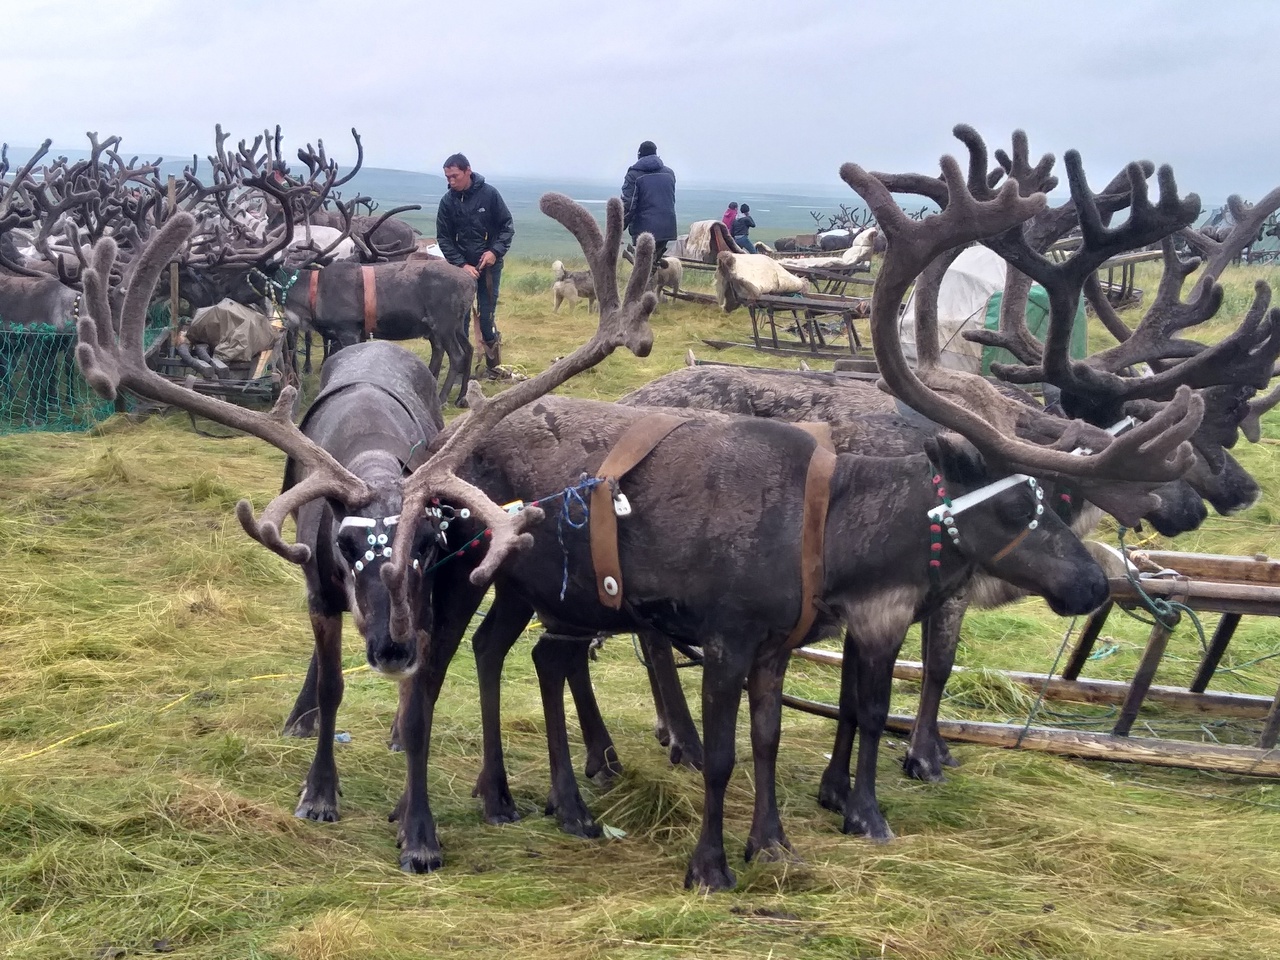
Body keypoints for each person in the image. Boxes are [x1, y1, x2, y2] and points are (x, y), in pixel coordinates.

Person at [436, 152, 515, 377]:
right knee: (459, 319)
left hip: (489, 267)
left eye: (454, 176)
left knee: (487, 315)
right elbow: (444, 238)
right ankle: (460, 370)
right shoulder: (447, 201)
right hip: (460, 270)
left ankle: (493, 367)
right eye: (447, 177)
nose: (451, 181)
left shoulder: (490, 195)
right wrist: (461, 265)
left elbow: (507, 226)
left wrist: (494, 252)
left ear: (467, 171)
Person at [620, 140, 677, 263]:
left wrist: (619, 228)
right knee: (652, 264)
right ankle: (650, 280)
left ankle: (646, 281)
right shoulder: (669, 173)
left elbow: (628, 206)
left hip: (644, 230)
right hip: (667, 227)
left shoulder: (634, 175)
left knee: (644, 267)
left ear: (639, 155)